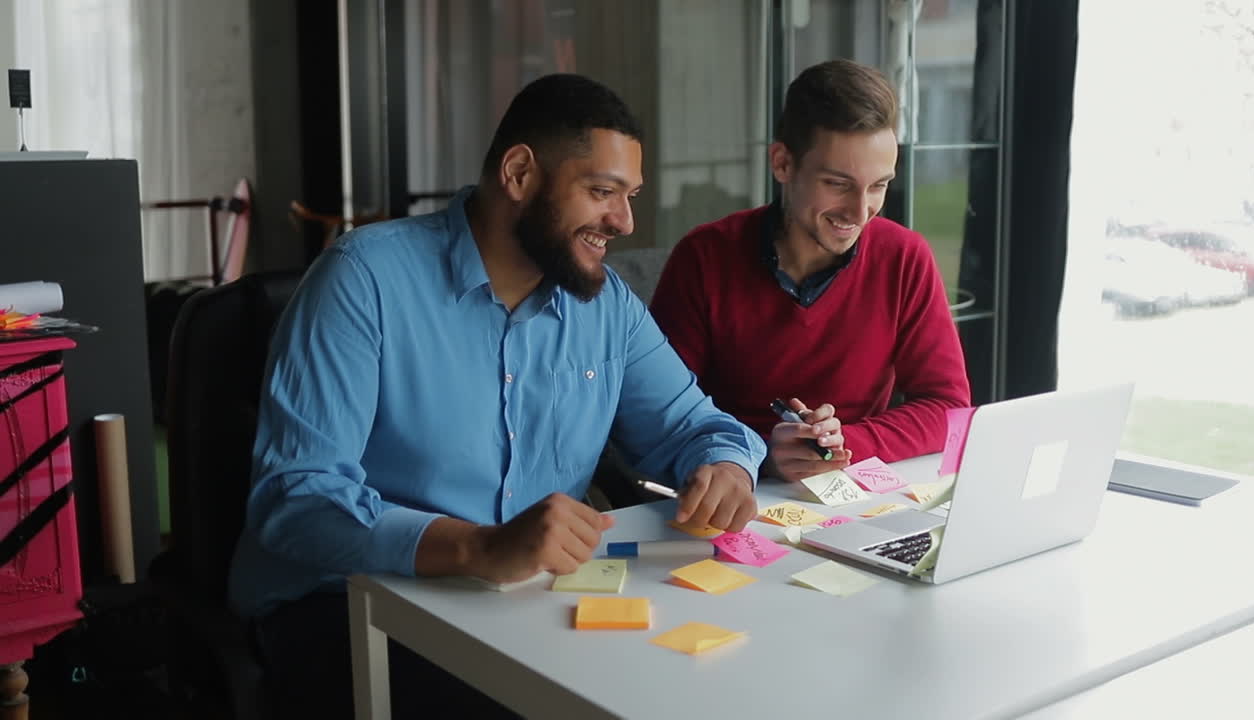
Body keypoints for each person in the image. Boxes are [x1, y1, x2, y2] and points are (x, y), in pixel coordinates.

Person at [228, 73, 766, 718]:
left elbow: (693, 426)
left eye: (630, 196)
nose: (623, 221)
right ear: (519, 173)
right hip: (346, 606)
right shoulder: (363, 280)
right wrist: (477, 547)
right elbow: (299, 499)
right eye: (602, 192)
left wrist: (727, 467)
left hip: (528, 606)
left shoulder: (605, 305)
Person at [649, 59, 970, 485]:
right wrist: (762, 454)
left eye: (878, 185)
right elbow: (657, 418)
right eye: (838, 184)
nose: (861, 212)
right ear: (782, 164)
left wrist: (847, 442)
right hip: (736, 490)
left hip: (857, 490)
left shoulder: (904, 258)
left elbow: (948, 408)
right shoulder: (703, 259)